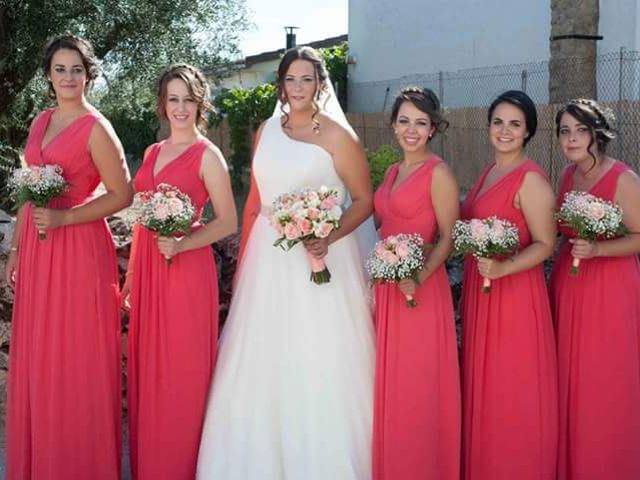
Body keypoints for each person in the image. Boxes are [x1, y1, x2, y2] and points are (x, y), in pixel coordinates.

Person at [196, 46, 376, 480]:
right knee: (261, 356)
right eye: (291, 79)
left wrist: (326, 236)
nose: (298, 87)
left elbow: (366, 201)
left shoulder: (337, 136)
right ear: (281, 85)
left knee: (320, 356)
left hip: (322, 258)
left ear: (320, 83)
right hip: (267, 260)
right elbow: (257, 201)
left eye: (307, 79)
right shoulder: (266, 131)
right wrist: (244, 258)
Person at [5, 34, 132, 480]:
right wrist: (17, 248)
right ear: (48, 76)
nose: (68, 77)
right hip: (40, 252)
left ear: (89, 73)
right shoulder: (40, 122)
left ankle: (80, 465)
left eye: (76, 69)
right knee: (40, 356)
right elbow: (30, 190)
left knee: (75, 356)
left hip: (79, 250)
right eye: (60, 69)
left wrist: (65, 219)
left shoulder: (97, 127)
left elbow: (123, 194)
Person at [122, 63, 237, 480]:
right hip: (151, 270)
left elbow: (227, 221)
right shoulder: (153, 153)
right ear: (162, 103)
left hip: (187, 272)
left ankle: (182, 468)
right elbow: (140, 216)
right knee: (150, 372)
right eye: (174, 99)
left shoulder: (208, 154)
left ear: (200, 103)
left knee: (182, 374)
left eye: (189, 99)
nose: (181, 108)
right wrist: (134, 273)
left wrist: (185, 242)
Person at [460, 90, 558, 479]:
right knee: (485, 389)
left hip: (513, 297)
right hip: (481, 291)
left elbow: (547, 245)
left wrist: (504, 269)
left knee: (510, 390)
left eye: (515, 124)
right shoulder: (488, 172)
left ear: (528, 131)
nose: (505, 130)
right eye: (498, 122)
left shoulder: (531, 179)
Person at [372, 87, 460, 480]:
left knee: (418, 386)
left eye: (420, 123)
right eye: (404, 121)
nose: (411, 130)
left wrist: (418, 278)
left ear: (432, 128)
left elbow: (449, 237)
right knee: (393, 385)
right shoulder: (393, 171)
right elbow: (382, 223)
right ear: (393, 125)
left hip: (420, 292)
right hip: (389, 288)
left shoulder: (438, 172)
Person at [550, 98, 640, 480]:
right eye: (565, 131)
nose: (571, 139)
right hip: (570, 286)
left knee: (603, 381)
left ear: (597, 133)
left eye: (580, 130)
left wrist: (600, 248)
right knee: (570, 379)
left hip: (609, 289)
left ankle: (607, 464)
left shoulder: (622, 178)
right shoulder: (569, 176)